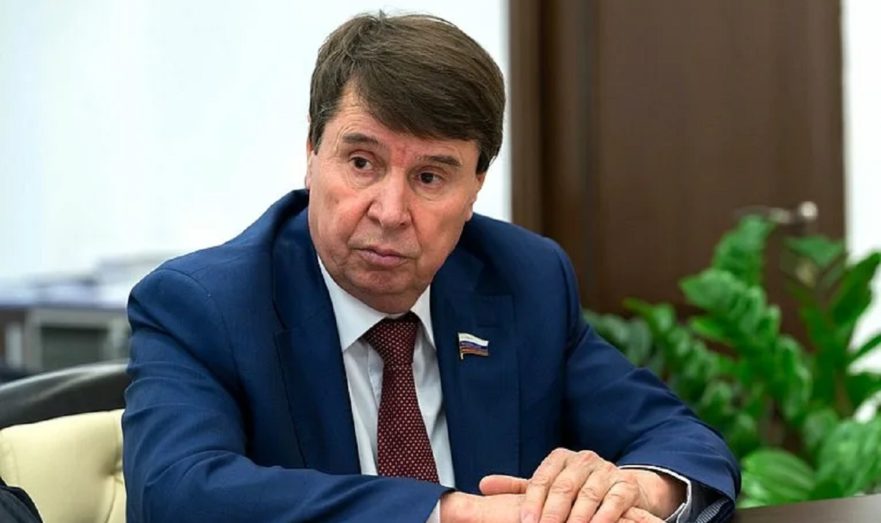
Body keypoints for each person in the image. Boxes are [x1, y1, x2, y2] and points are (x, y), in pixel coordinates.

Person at [122, 12, 740, 523]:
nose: (390, 212)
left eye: (429, 177)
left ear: (476, 188)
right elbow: (174, 494)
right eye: (361, 163)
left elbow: (683, 442)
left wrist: (634, 488)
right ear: (311, 153)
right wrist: (452, 514)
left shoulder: (523, 280)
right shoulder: (206, 304)